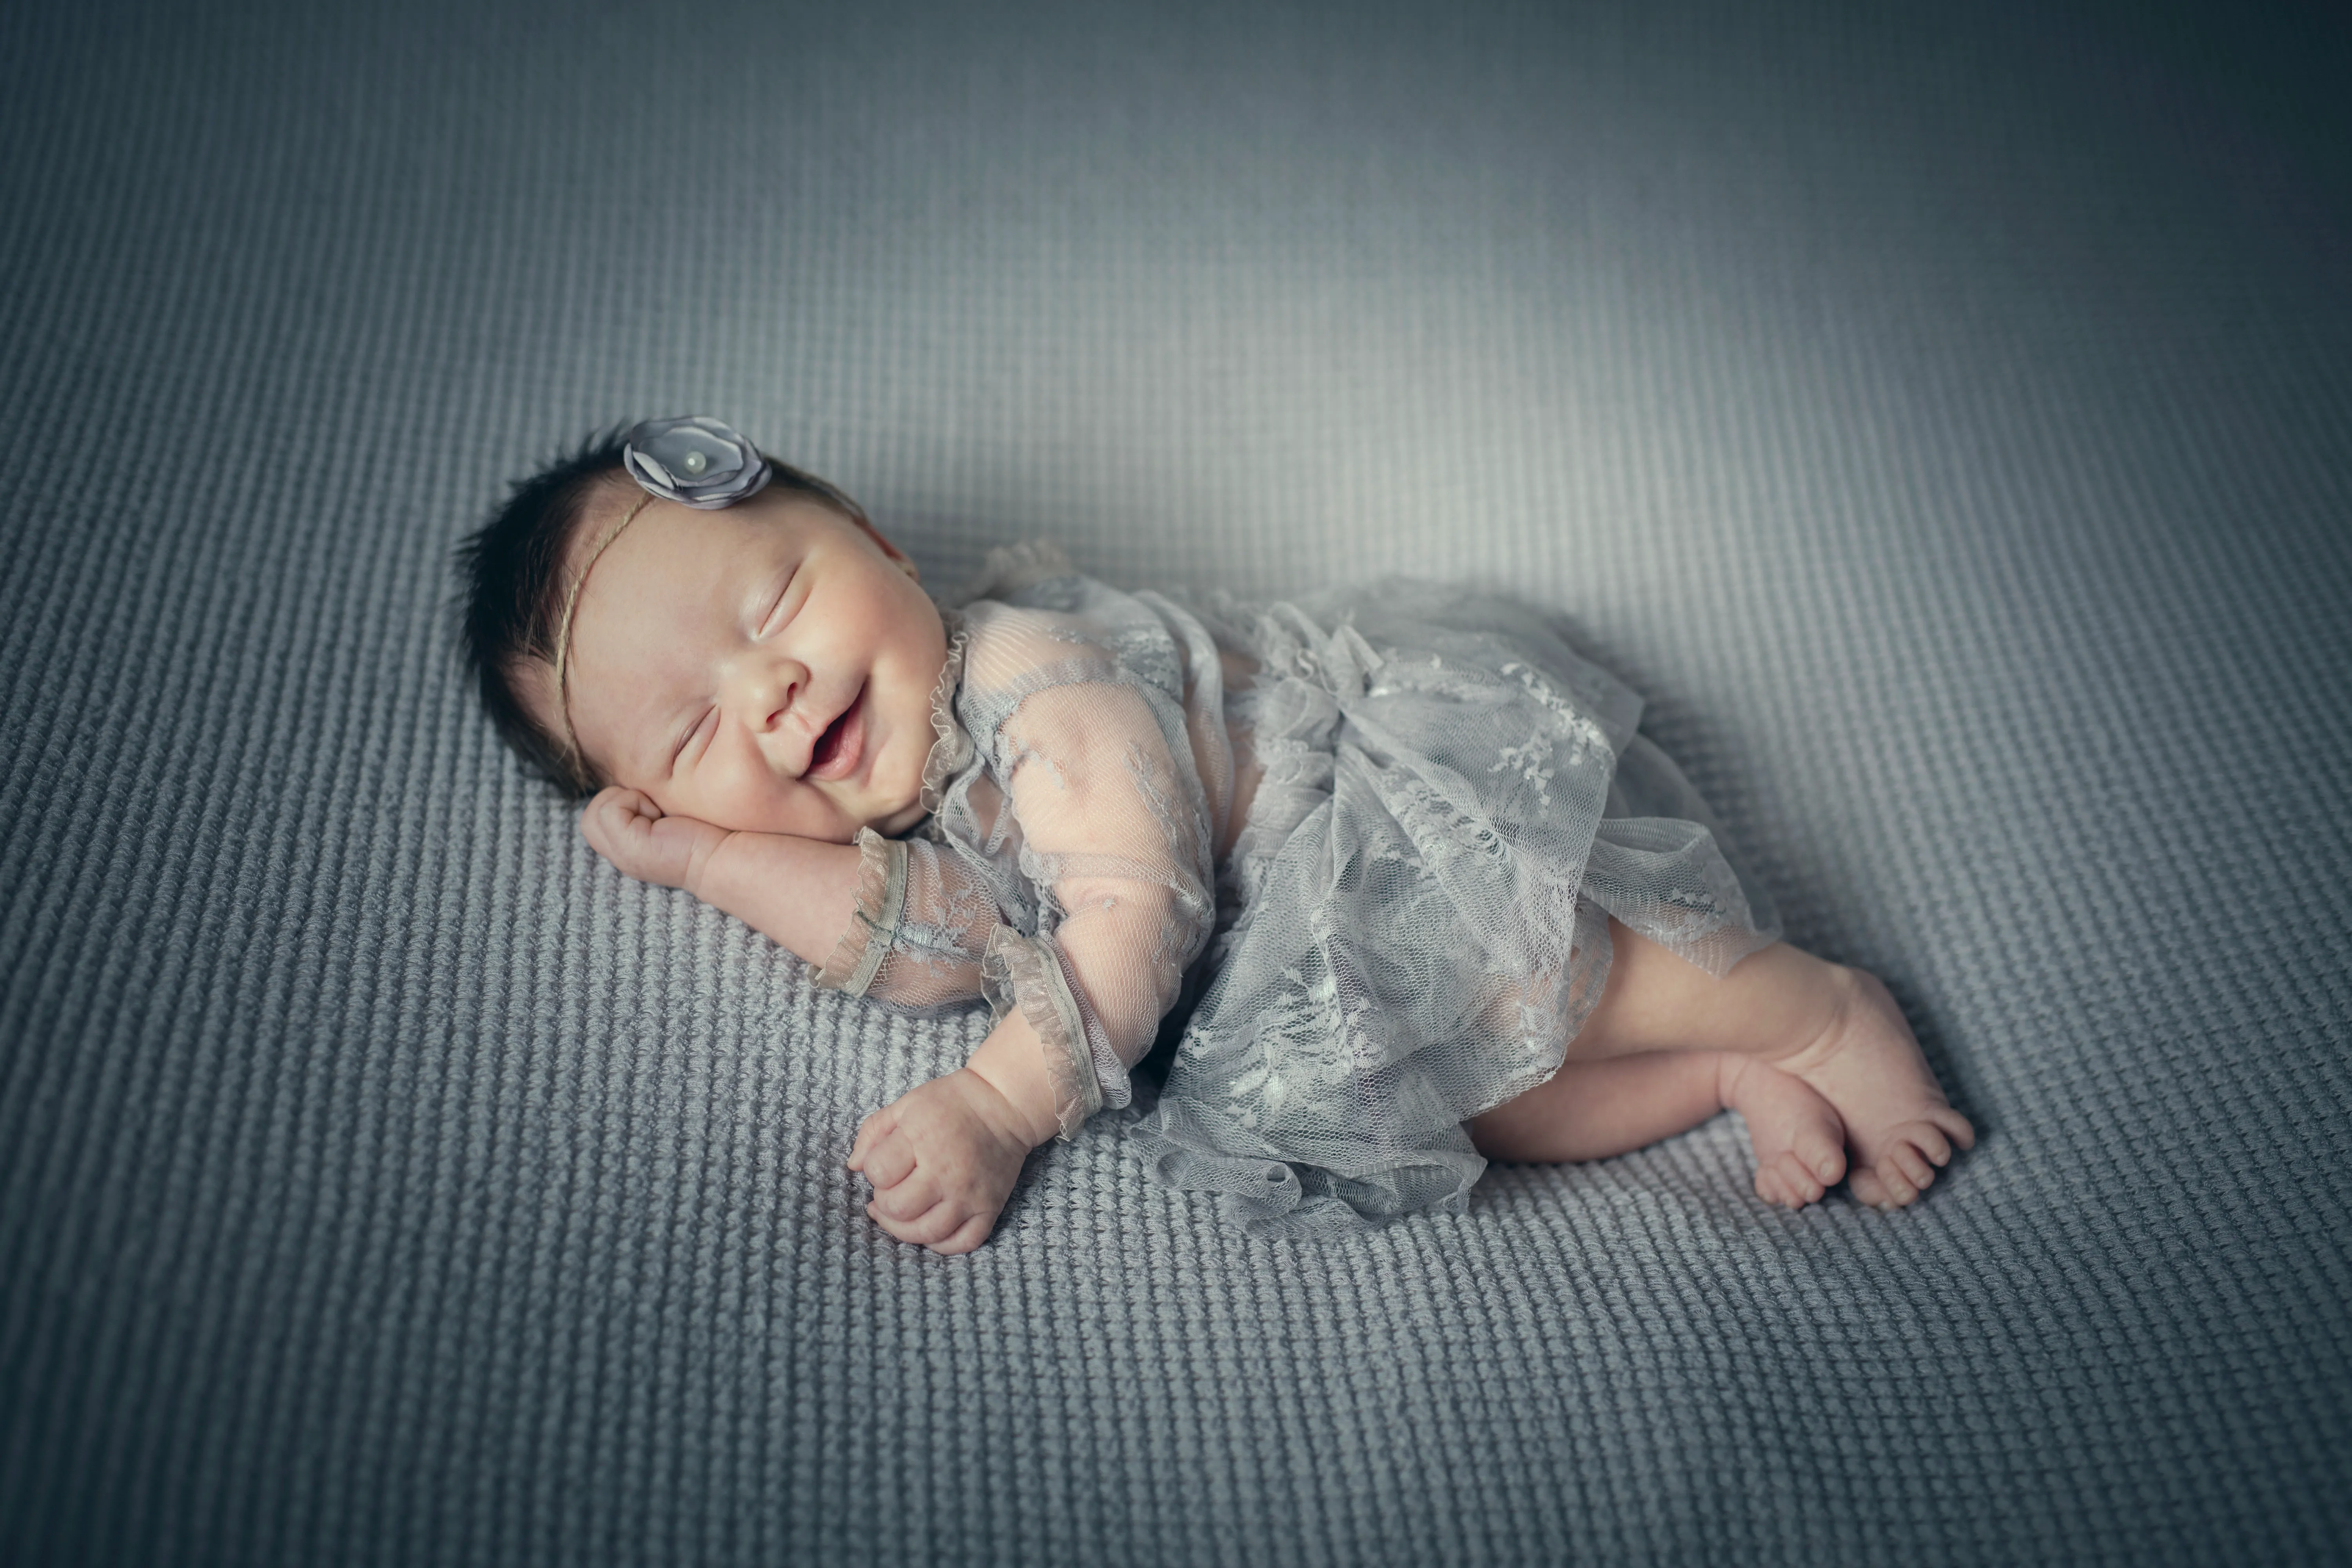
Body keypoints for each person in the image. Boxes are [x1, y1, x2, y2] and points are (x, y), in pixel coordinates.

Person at [458, 417, 1974, 1251]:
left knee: (1560, 978)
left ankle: (1815, 1008)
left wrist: (996, 1110)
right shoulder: (908, 789)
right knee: (1477, 1112)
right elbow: (925, 943)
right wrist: (711, 861)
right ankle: (1724, 1075)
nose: (771, 692)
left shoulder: (1035, 680)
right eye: (695, 737)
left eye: (774, 605)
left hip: (1378, 845)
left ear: (877, 543)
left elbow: (1133, 910)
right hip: (1314, 981)